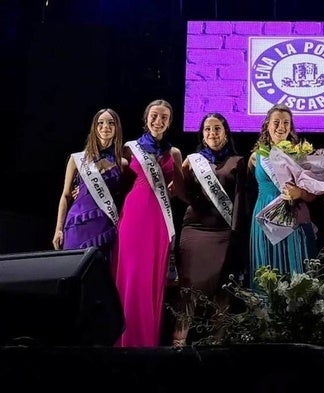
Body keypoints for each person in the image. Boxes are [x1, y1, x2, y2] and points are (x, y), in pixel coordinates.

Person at [112, 99, 184, 347]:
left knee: (150, 280)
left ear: (169, 122)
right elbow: (115, 182)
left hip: (159, 223)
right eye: (154, 115)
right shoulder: (129, 149)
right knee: (129, 276)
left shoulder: (173, 153)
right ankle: (122, 338)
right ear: (146, 118)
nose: (158, 121)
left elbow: (180, 190)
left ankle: (146, 340)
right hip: (133, 218)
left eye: (164, 117)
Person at [172, 113, 246, 347]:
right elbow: (178, 191)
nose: (212, 133)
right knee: (189, 287)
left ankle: (217, 341)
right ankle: (178, 341)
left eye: (217, 129)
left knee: (222, 287)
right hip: (195, 229)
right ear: (202, 135)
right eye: (207, 130)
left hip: (224, 232)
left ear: (225, 132)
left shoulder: (238, 161)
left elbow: (240, 200)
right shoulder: (192, 160)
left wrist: (236, 233)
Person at [248, 104, 317, 283]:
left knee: (293, 267)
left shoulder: (301, 155)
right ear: (267, 125)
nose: (281, 126)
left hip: (292, 216)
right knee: (266, 268)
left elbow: (313, 195)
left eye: (286, 122)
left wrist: (299, 193)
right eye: (276, 122)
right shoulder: (256, 156)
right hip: (264, 214)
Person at [52, 108, 126, 261]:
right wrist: (58, 229)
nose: (105, 126)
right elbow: (66, 196)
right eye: (100, 123)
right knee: (71, 270)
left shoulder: (123, 163)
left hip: (105, 225)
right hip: (77, 222)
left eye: (110, 123)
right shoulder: (77, 159)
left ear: (117, 128)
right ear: (94, 127)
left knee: (99, 274)